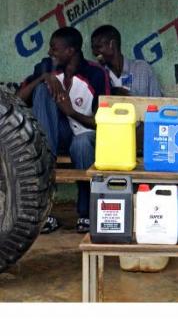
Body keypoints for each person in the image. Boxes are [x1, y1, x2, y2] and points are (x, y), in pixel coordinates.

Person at [18, 27, 111, 233]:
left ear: (71, 51)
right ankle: (45, 212)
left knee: (82, 143)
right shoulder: (46, 67)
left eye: (55, 48)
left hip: (83, 131)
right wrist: (43, 78)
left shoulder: (95, 73)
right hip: (54, 136)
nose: (50, 53)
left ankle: (86, 213)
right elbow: (18, 99)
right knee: (41, 90)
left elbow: (101, 122)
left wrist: (71, 112)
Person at [91, 25, 162, 97]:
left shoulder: (142, 70)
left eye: (98, 47)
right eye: (93, 49)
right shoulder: (98, 76)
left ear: (112, 44)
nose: (94, 52)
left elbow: (159, 102)